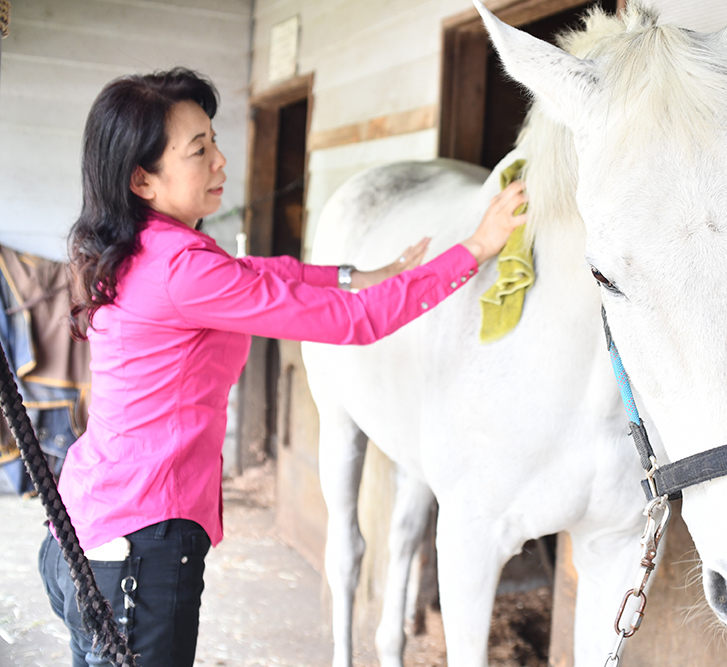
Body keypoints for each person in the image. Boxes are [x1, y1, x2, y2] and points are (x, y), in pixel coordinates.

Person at [38, 67, 526, 667]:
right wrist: (474, 249)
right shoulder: (181, 270)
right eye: (199, 150)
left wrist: (357, 273)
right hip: (137, 553)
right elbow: (358, 323)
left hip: (78, 534)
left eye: (214, 141)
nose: (220, 162)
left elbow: (265, 276)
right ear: (143, 178)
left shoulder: (139, 245)